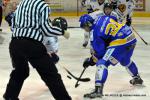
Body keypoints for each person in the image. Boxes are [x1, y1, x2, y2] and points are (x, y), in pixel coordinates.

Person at [3, 0, 71, 100]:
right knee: (51, 75)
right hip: (32, 45)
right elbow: (46, 29)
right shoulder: (42, 5)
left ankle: (10, 96)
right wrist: (62, 32)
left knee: (21, 71)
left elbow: (13, 26)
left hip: (15, 44)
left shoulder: (22, 3)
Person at [79, 14, 143, 99]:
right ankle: (137, 78)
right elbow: (114, 19)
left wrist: (90, 61)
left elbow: (100, 54)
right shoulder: (101, 17)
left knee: (102, 62)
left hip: (120, 41)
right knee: (124, 59)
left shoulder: (95, 33)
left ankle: (98, 90)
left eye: (84, 27)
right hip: (131, 37)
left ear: (88, 24)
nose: (84, 29)